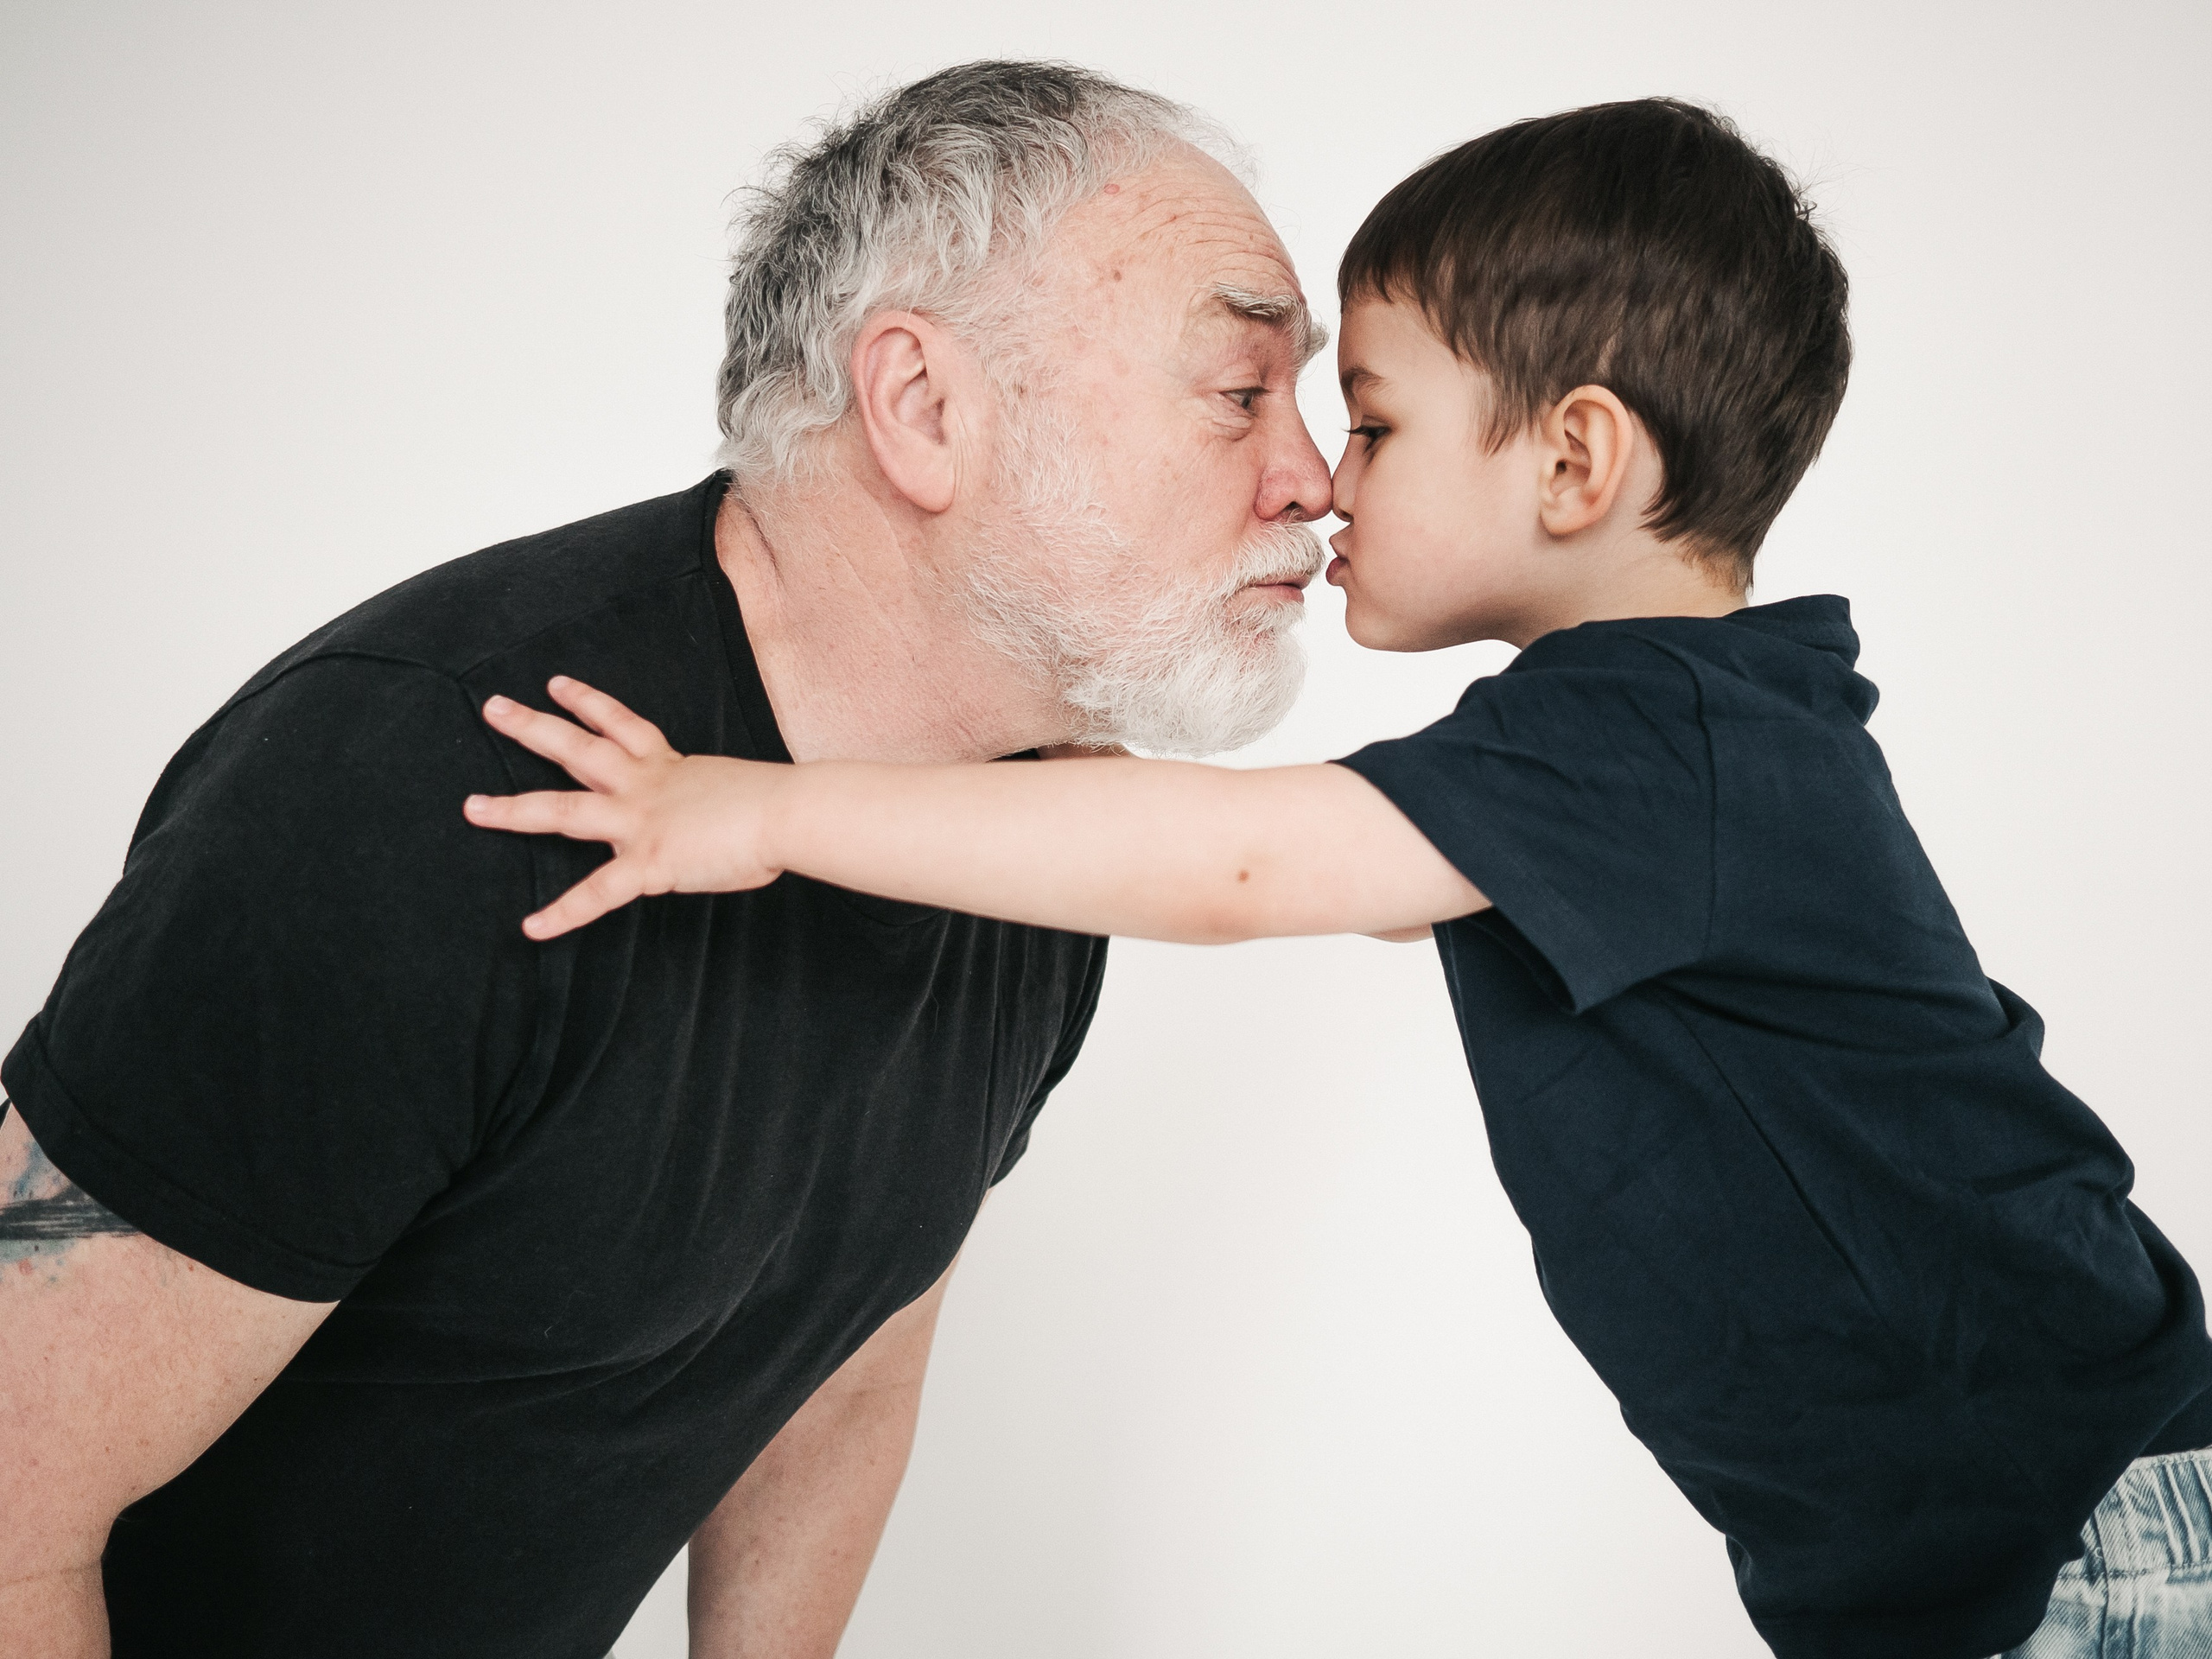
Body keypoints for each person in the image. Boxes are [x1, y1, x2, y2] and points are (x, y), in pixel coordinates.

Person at [467, 100, 2212, 1659]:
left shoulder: (1649, 735)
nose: (1316, 483)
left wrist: (760, 811)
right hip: (1987, 1536)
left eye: (1368, 423)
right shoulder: (1664, 746)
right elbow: (1323, 862)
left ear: (1574, 460)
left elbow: (1243, 864)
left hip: (2072, 1530)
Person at [0, 60, 1335, 1659]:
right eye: (1242, 391)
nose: (1313, 478)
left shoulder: (1034, 829)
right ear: (923, 407)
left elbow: (848, 1353)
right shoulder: (430, 788)